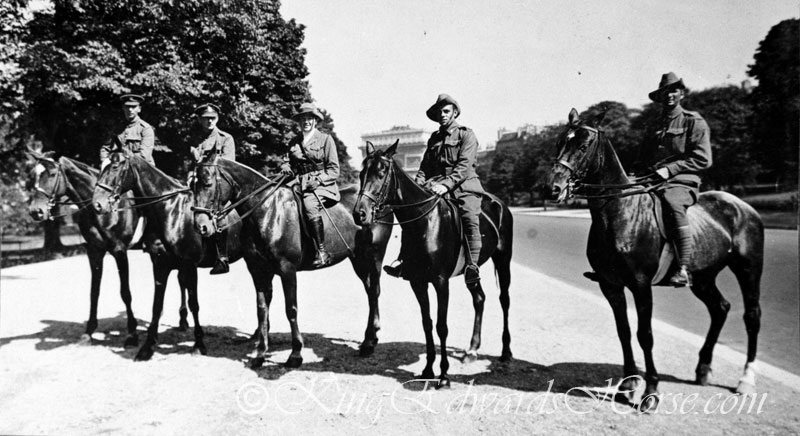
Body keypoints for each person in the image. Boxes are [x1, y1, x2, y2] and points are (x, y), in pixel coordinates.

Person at [383, 93, 484, 284]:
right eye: (440, 112)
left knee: (469, 216)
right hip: (436, 185)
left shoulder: (466, 134)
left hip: (464, 186)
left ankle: (472, 266)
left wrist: (446, 185)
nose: (443, 115)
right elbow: (424, 168)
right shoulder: (434, 139)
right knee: (413, 214)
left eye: (446, 111)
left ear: (454, 112)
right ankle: (405, 260)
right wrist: (417, 185)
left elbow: (463, 166)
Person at [636, 72, 712, 287]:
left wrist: (670, 170)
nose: (669, 95)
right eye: (664, 92)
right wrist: (635, 173)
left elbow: (702, 158)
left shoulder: (693, 121)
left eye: (673, 90)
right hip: (653, 179)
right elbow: (642, 156)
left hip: (683, 180)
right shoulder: (654, 124)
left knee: (672, 202)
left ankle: (683, 268)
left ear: (681, 94)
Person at [280, 102, 340, 268]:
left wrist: (319, 180)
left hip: (322, 185)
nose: (306, 122)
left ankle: (321, 251)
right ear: (298, 122)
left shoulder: (326, 140)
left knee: (309, 205)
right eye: (302, 119)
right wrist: (285, 166)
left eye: (309, 118)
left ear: (315, 121)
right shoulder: (293, 142)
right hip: (299, 183)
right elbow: (287, 162)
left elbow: (334, 170)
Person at [189, 103, 236, 274]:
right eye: (205, 119)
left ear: (217, 119)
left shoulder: (225, 138)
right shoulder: (194, 139)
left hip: (220, 184)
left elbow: (228, 166)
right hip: (200, 184)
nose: (209, 121)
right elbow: (190, 164)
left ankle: (222, 257)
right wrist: (191, 174)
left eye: (212, 118)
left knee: (220, 212)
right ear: (200, 120)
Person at [100, 94, 155, 169]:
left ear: (139, 109)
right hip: (119, 168)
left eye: (133, 107)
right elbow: (105, 148)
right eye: (127, 107)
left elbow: (144, 157)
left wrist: (121, 157)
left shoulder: (145, 129)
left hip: (142, 169)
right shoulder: (117, 128)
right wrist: (105, 162)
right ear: (123, 108)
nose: (130, 110)